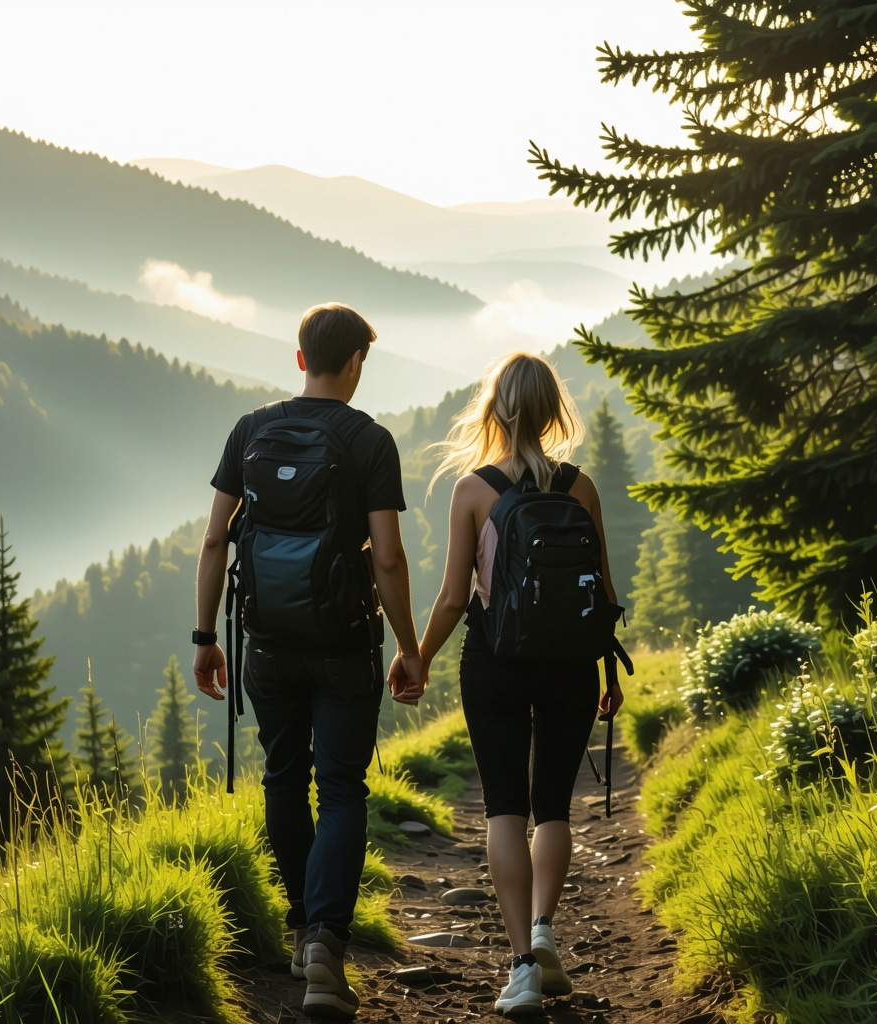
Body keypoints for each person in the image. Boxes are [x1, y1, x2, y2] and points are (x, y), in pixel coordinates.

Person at [192, 302, 424, 1019]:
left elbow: (214, 542)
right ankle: (326, 940)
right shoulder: (369, 440)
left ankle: (300, 929)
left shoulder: (250, 429)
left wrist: (205, 639)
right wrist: (410, 646)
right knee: (344, 788)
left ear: (300, 359)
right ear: (355, 363)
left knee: (284, 778)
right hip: (345, 645)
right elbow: (385, 555)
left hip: (265, 643)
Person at [414, 352, 625, 1017]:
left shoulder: (472, 490)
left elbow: (453, 598)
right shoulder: (580, 486)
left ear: (496, 409)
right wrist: (606, 671)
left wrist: (416, 659)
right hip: (569, 665)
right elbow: (604, 593)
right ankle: (544, 929)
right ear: (551, 410)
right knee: (554, 808)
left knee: (505, 808)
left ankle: (522, 968)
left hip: (495, 662)